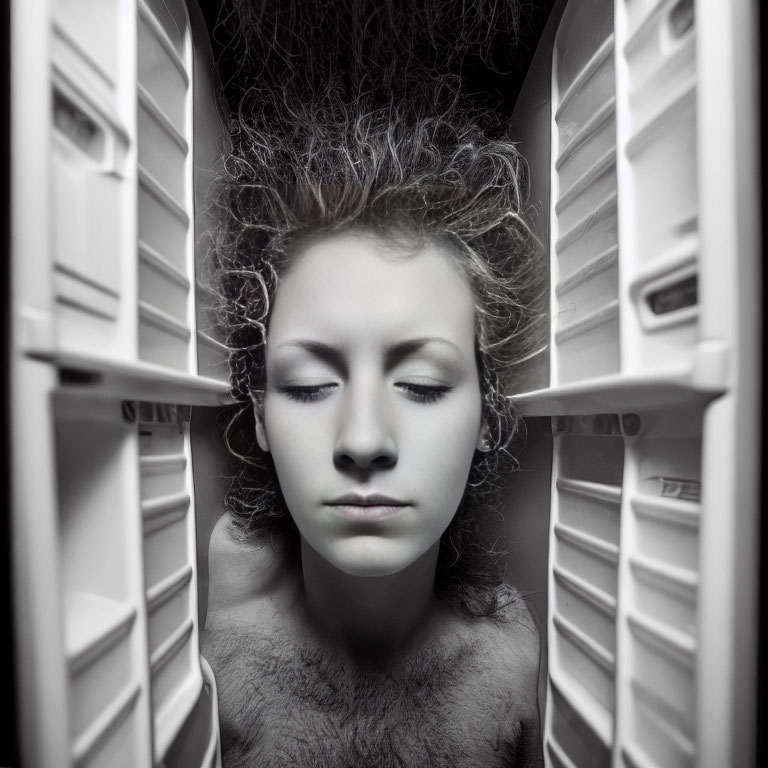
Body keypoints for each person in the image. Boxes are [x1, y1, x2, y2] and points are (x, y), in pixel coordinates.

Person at [201, 91, 547, 766]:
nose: (363, 439)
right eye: (307, 385)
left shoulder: (518, 663)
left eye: (421, 384)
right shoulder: (209, 651)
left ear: (487, 413)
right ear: (261, 414)